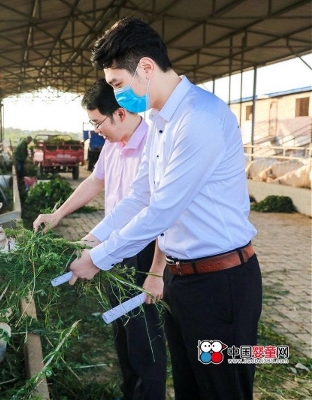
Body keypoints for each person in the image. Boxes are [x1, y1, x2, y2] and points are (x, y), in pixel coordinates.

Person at [68, 17, 261, 400]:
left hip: (219, 284)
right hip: (182, 279)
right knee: (190, 386)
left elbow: (162, 210)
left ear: (145, 68)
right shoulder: (160, 120)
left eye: (118, 84)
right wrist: (94, 237)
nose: (118, 95)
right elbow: (140, 196)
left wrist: (98, 258)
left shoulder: (198, 119)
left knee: (221, 390)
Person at [33, 78, 166, 400]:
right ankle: (129, 390)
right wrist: (59, 214)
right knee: (121, 326)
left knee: (144, 332)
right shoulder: (113, 144)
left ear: (120, 113)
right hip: (114, 243)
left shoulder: (155, 145)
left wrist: (156, 272)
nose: (95, 131)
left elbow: (163, 213)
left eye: (97, 122)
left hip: (145, 247)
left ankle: (148, 394)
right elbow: (95, 181)